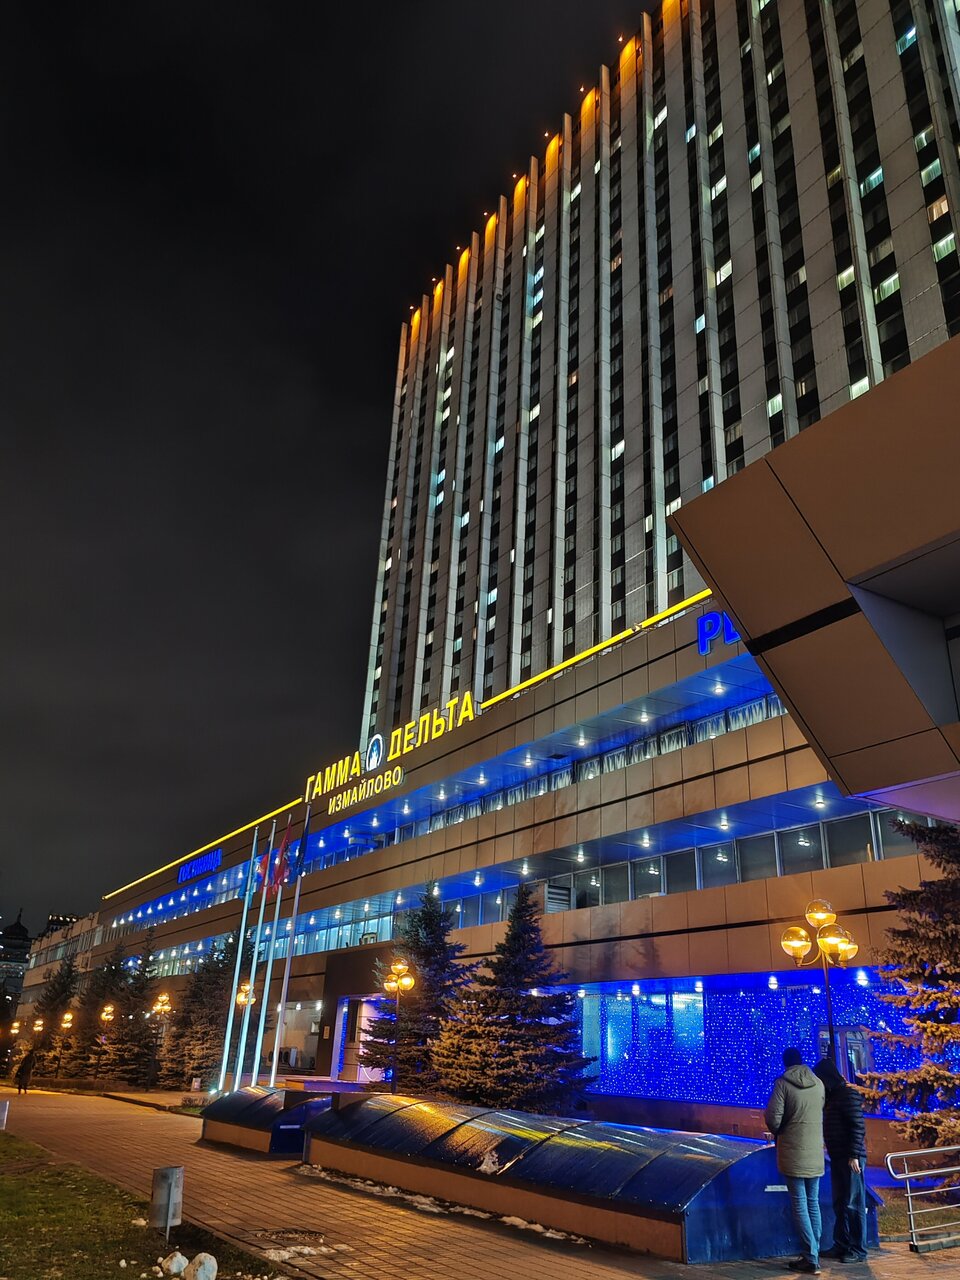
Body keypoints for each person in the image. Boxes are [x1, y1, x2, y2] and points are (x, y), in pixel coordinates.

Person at [765, 1047, 826, 1274]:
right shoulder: (818, 1083)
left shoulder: (782, 1084)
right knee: (813, 1203)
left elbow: (773, 1118)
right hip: (815, 1152)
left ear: (785, 1063)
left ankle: (810, 1257)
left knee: (800, 1204)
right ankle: (814, 1253)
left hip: (793, 1152)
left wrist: (778, 1130)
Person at [814, 1056, 868, 1263]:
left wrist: (854, 1155)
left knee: (853, 1203)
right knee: (840, 1203)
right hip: (838, 1156)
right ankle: (842, 1244)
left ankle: (858, 1249)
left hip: (850, 1158)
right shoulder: (833, 1097)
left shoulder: (847, 1095)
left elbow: (857, 1126)